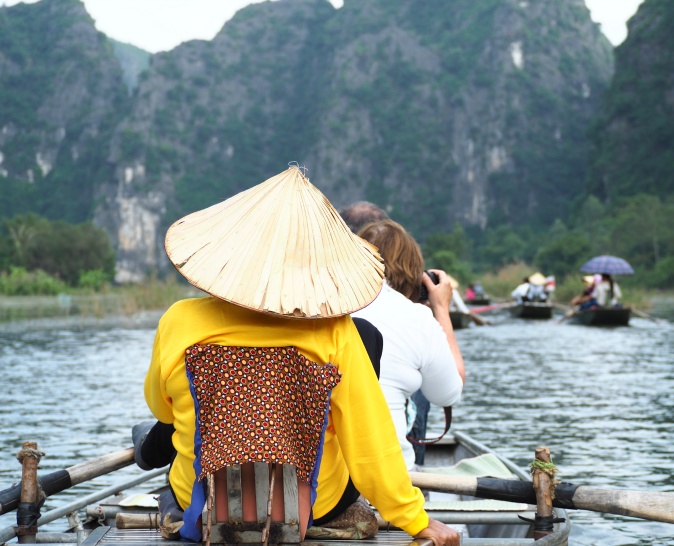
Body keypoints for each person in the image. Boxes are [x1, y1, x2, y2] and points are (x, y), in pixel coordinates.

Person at [133, 166, 461, 546]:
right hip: (313, 505)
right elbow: (370, 442)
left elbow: (163, 409)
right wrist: (415, 519)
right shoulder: (336, 331)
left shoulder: (179, 320)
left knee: (179, 452)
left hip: (202, 500)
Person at [352, 220, 466, 470]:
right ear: (416, 276)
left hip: (323, 480)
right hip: (390, 475)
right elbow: (449, 393)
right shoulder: (415, 318)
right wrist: (441, 311)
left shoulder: (324, 307)